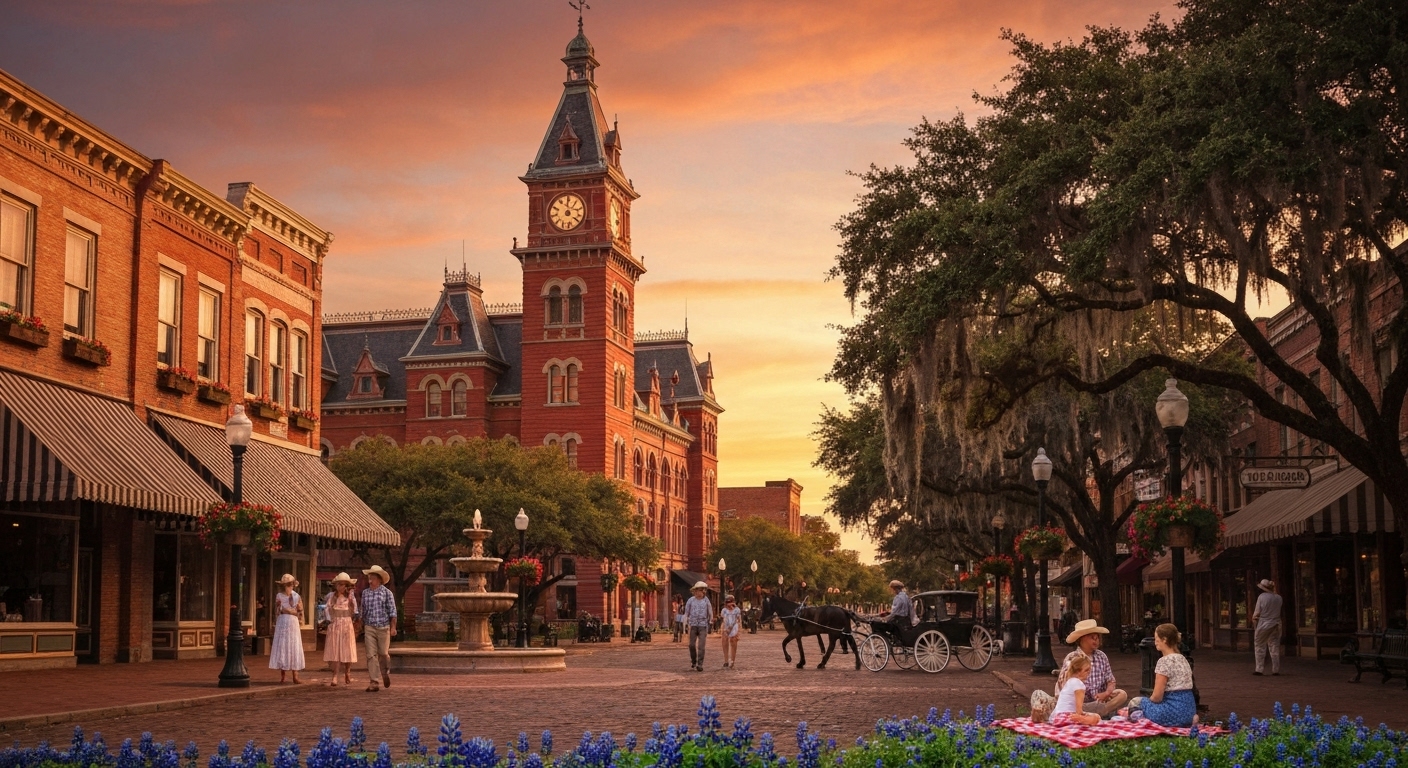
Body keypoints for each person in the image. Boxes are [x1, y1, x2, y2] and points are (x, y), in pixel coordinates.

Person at [1125, 623, 1196, 727]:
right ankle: (1190, 720)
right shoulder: (1183, 659)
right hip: (1189, 711)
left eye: (1156, 639)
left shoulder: (1164, 661)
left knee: (1135, 702)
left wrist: (1148, 704)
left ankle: (1140, 722)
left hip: (1172, 712)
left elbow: (1157, 697)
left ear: (1164, 640)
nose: (1155, 642)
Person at [1057, 619, 1127, 719]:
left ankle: (1097, 712)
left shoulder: (1102, 656)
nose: (1096, 640)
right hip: (1080, 703)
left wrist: (1106, 693)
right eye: (1093, 638)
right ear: (1082, 639)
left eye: (1097, 637)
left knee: (1122, 694)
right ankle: (1095, 713)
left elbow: (1111, 680)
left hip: (1100, 700)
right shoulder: (1072, 658)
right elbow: (1064, 686)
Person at [360, 565, 397, 692]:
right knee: (371, 655)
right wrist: (360, 625)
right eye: (369, 578)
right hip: (369, 627)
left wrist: (393, 627)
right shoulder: (365, 593)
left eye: (373, 578)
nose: (370, 581)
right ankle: (374, 681)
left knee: (383, 654)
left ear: (380, 579)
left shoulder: (387, 593)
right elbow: (363, 611)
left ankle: (385, 671)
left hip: (383, 627)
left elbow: (393, 612)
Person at [322, 573, 358, 687]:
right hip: (335, 624)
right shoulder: (332, 596)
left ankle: (347, 672)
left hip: (346, 624)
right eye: (338, 584)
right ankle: (335, 675)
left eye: (343, 585)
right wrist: (329, 619)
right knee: (335, 649)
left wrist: (353, 615)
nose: (340, 587)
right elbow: (327, 608)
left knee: (347, 648)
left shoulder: (350, 597)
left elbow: (355, 610)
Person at [268, 573, 305, 683]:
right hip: (283, 621)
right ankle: (283, 674)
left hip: (293, 622)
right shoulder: (279, 596)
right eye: (288, 585)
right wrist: (281, 609)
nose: (290, 587)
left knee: (294, 645)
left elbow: (300, 611)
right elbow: (277, 610)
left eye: (291, 585)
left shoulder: (296, 596)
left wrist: (299, 618)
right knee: (283, 645)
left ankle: (295, 675)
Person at [1050, 652, 1101, 725]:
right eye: (1086, 670)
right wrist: (1084, 718)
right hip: (1067, 717)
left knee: (1093, 716)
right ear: (1078, 671)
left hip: (1057, 718)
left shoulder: (1069, 681)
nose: (1088, 673)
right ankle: (1085, 722)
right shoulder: (1079, 685)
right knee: (1096, 718)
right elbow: (1079, 711)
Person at [1251, 578, 1283, 676]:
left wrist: (1254, 619)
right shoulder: (1279, 598)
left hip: (1264, 624)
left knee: (1259, 645)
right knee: (1274, 646)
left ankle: (1259, 669)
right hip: (1276, 624)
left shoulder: (1262, 597)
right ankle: (1276, 669)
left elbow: (1257, 612)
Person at [683, 581, 713, 672]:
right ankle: (693, 661)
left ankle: (700, 664)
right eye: (698, 590)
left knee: (701, 646)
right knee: (691, 645)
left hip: (703, 625)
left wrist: (711, 620)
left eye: (701, 590)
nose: (699, 592)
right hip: (693, 625)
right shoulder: (691, 600)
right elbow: (686, 613)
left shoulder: (706, 600)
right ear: (695, 591)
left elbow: (710, 611)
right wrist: (685, 625)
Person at [720, 594, 741, 669]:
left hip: (734, 626)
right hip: (726, 626)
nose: (729, 603)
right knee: (725, 642)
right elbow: (723, 618)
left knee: (733, 642)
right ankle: (726, 660)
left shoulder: (737, 610)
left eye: (731, 601)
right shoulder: (724, 610)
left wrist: (738, 630)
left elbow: (738, 619)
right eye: (727, 602)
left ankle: (732, 660)